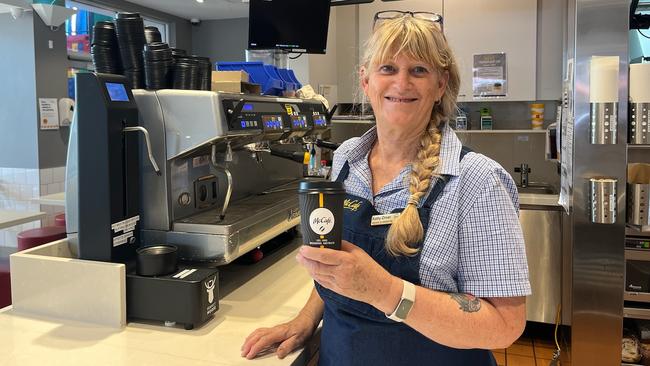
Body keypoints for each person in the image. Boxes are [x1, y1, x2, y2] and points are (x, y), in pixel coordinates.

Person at [241, 11, 530, 365]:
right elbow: (338, 267)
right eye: (388, 68)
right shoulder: (348, 158)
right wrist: (305, 319)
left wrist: (385, 290)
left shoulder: (477, 181)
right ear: (366, 80)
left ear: (441, 85)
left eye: (419, 70)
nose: (402, 83)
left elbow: (504, 325)